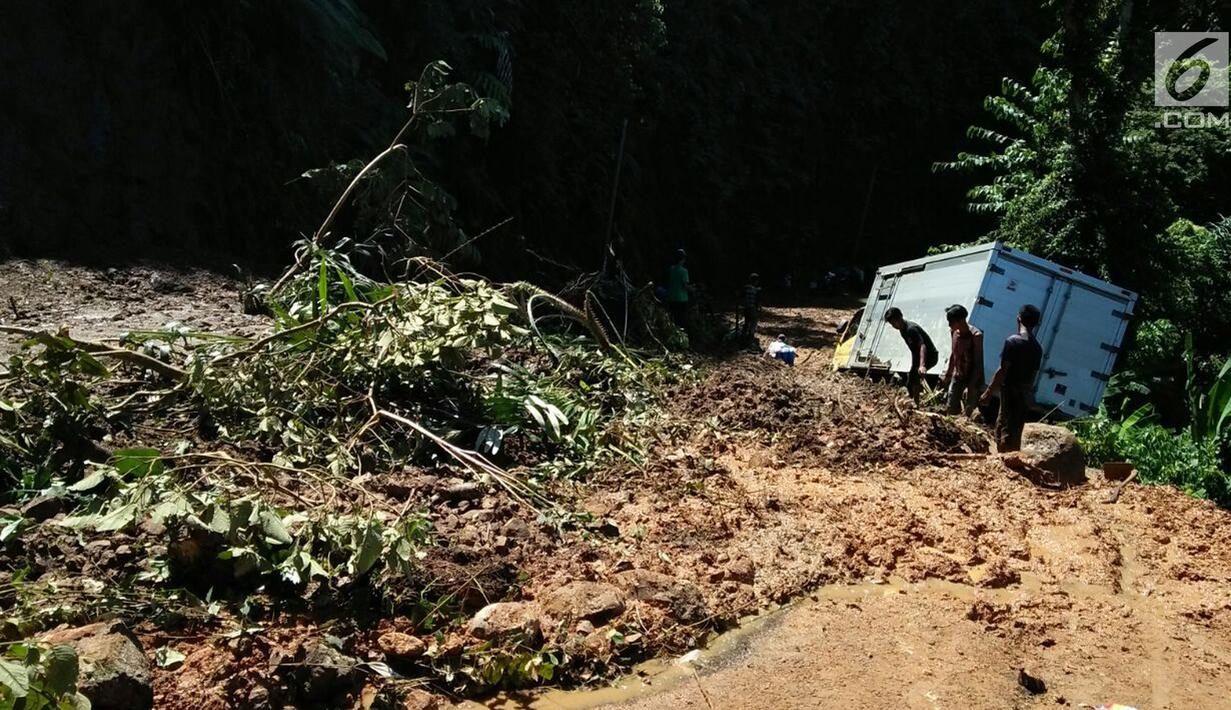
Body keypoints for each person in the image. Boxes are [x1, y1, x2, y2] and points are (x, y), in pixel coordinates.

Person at [980, 304, 1044, 452]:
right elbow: (1033, 377)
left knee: (1003, 428)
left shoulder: (1013, 341)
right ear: (1036, 324)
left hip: (1009, 391)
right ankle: (1011, 456)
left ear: (1018, 319)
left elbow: (1003, 370)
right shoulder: (1037, 348)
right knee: (1015, 429)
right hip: (1023, 393)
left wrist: (989, 392)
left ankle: (1003, 458)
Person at [885, 306, 938, 403]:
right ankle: (913, 400)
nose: (893, 326)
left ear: (900, 318)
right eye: (891, 324)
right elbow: (913, 350)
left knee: (915, 377)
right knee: (910, 380)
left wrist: (922, 365)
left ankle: (916, 403)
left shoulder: (911, 329)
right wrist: (914, 365)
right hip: (918, 357)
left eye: (894, 323)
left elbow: (922, 346)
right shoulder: (902, 330)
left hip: (930, 356)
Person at [939, 304, 984, 416]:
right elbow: (953, 354)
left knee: (968, 412)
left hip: (972, 378)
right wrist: (948, 374)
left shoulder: (976, 336)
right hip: (958, 376)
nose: (949, 325)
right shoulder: (954, 332)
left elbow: (978, 363)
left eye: (951, 322)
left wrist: (970, 386)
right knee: (951, 408)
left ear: (961, 320)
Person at [666, 249, 690, 327]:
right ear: (683, 259)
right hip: (681, 299)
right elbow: (685, 286)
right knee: (682, 320)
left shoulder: (671, 269)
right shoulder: (684, 271)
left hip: (671, 298)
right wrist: (693, 289)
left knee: (674, 320)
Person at [742, 272, 762, 339]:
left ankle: (743, 335)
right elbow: (758, 300)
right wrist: (759, 308)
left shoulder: (746, 288)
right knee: (754, 321)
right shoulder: (756, 290)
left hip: (746, 308)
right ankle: (750, 336)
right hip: (752, 308)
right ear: (756, 281)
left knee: (746, 322)